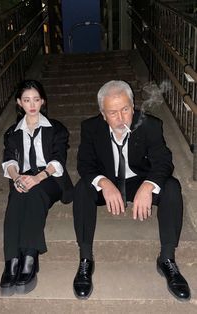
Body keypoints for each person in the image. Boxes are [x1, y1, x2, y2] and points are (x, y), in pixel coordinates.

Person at [72, 80, 190, 301]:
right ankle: (85, 259)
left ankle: (167, 259)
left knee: (172, 187)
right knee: (82, 189)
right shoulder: (91, 128)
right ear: (102, 113)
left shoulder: (149, 125)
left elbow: (163, 162)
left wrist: (148, 185)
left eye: (125, 109)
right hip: (109, 181)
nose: (121, 117)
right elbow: (84, 165)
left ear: (133, 106)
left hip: (139, 180)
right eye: (113, 112)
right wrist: (104, 183)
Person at [0, 79, 73, 296]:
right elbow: (9, 161)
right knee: (17, 194)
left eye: (36, 99)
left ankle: (30, 256)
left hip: (50, 178)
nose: (32, 104)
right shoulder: (12, 132)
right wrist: (17, 179)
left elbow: (58, 160)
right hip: (23, 177)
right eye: (26, 100)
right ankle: (12, 260)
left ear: (43, 101)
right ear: (19, 103)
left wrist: (38, 177)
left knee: (34, 192)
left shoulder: (56, 128)